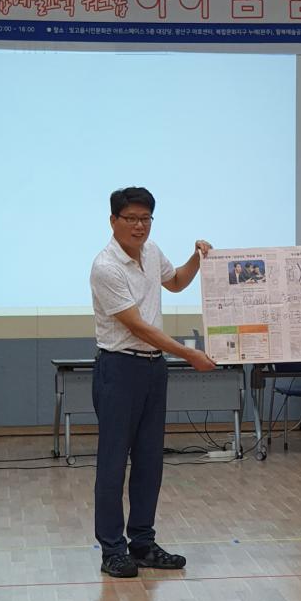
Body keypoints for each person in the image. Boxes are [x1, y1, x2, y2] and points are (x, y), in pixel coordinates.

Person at [90, 186, 216, 579]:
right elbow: (138, 327)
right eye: (131, 218)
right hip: (119, 368)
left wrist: (197, 258)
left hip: (152, 368)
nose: (139, 226)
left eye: (145, 218)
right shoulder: (106, 266)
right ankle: (113, 550)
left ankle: (142, 543)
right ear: (113, 221)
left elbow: (175, 282)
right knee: (113, 463)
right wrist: (190, 354)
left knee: (149, 460)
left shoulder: (151, 252)